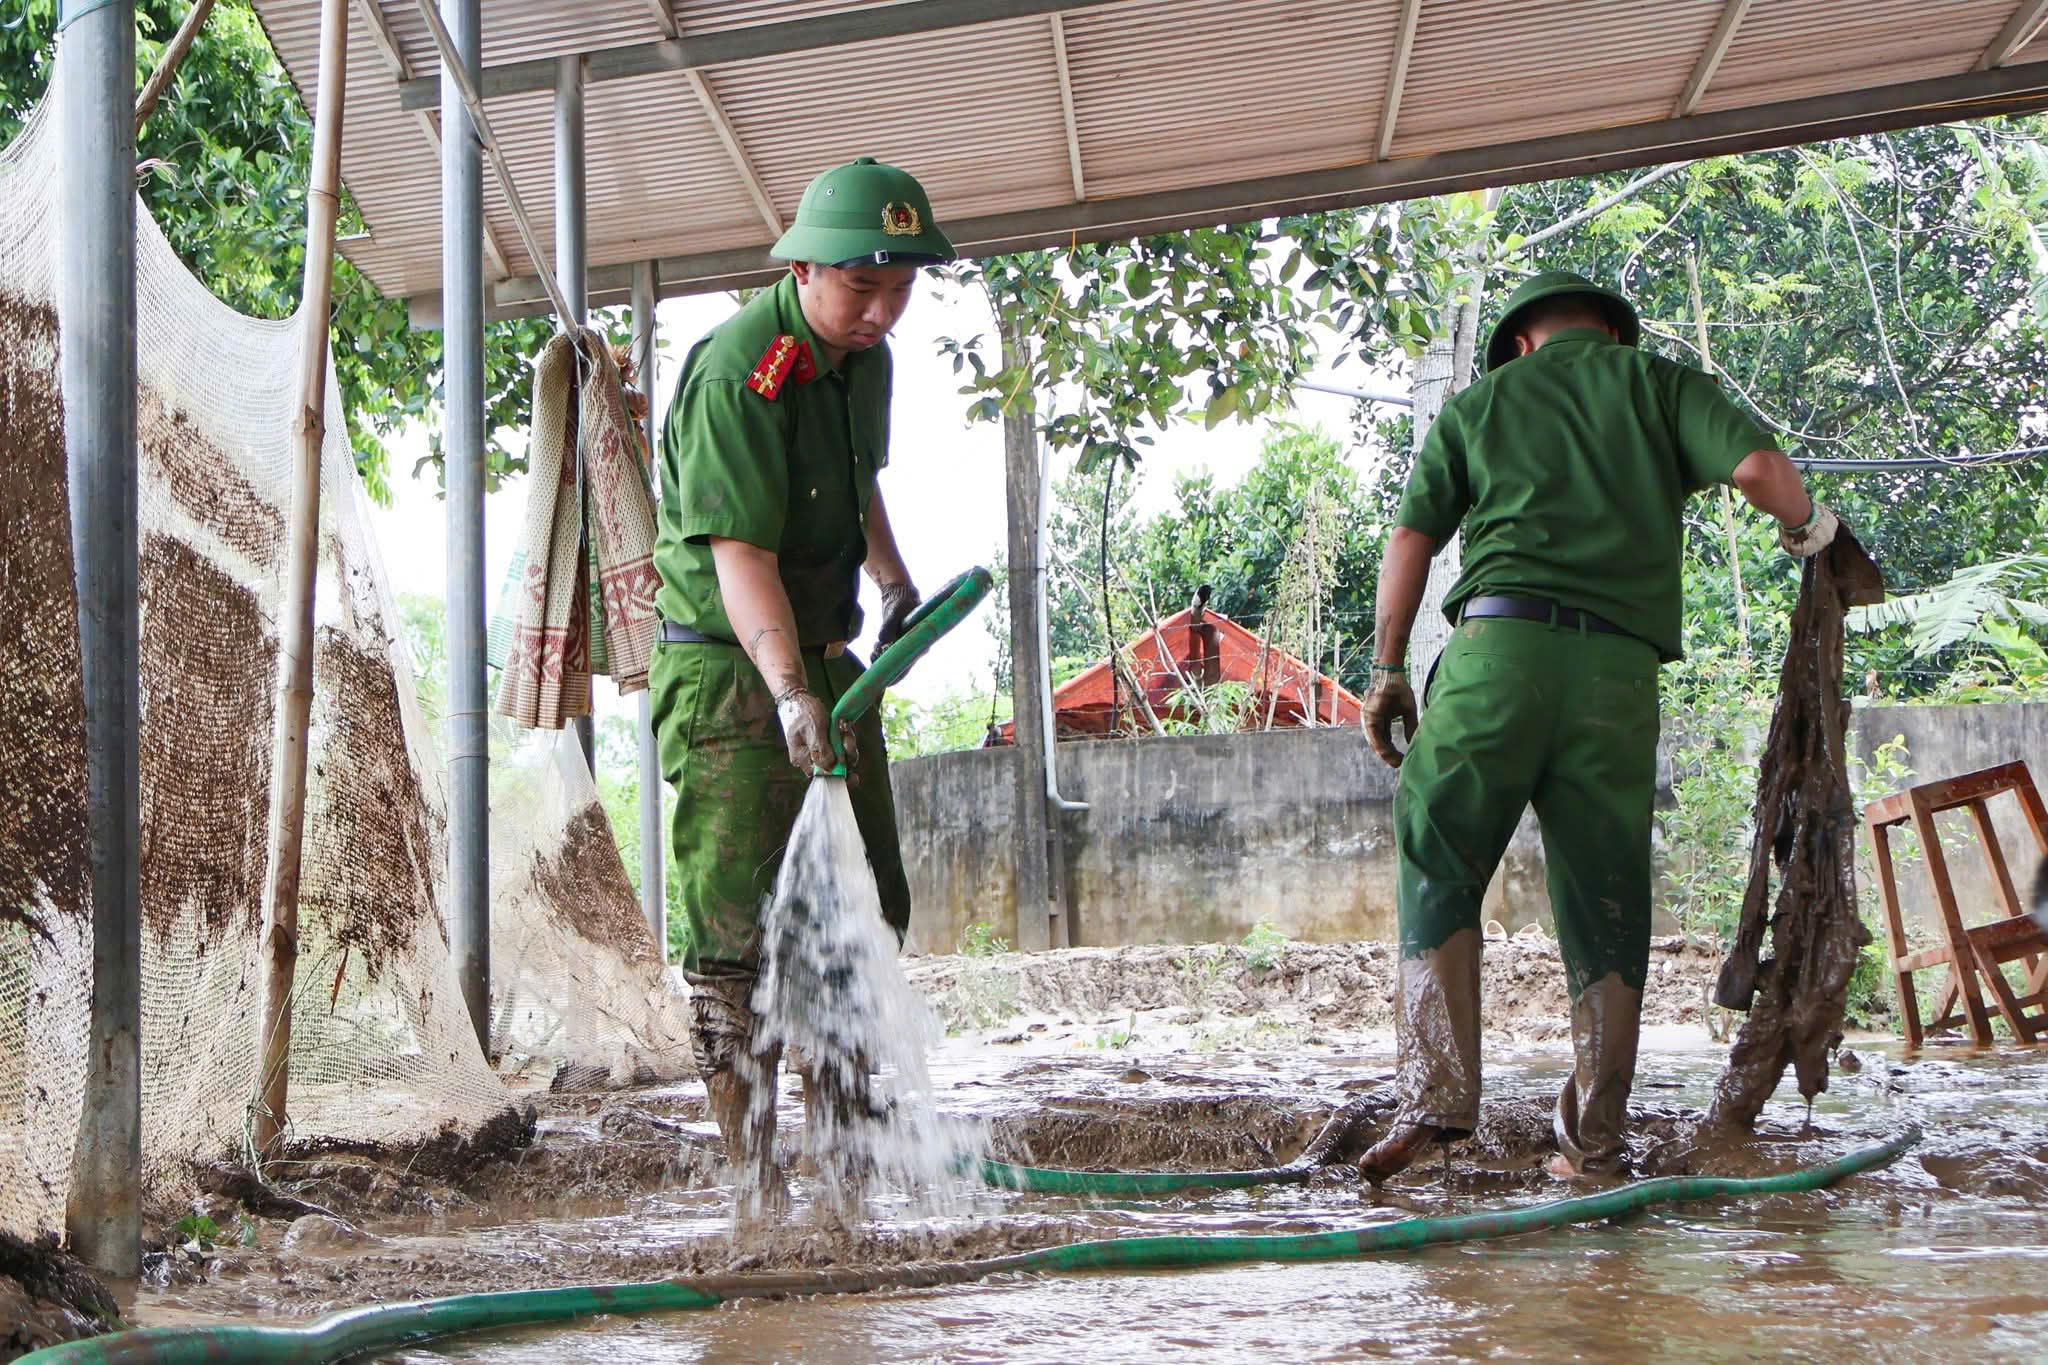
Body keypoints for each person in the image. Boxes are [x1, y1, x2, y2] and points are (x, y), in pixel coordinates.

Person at [1359, 270, 1843, 1182]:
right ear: (1610, 336)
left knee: (1438, 848)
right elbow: (1758, 471)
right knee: (1607, 894)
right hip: (1616, 678)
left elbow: (1410, 540)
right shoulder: (1654, 384)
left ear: (1522, 343)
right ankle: (1596, 1137)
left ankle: (1435, 1104)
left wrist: (1388, 671)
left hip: (1496, 657)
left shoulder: (1481, 404)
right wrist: (1812, 529)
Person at [648, 157, 953, 1211]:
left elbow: (859, 478)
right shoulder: (744, 368)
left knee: (861, 907)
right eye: (862, 288)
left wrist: (893, 579)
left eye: (900, 289)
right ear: (807, 267)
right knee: (734, 940)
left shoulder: (866, 364)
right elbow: (739, 555)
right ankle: (753, 1189)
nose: (880, 313)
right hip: (731, 672)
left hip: (828, 658)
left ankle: (851, 1173)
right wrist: (788, 695)